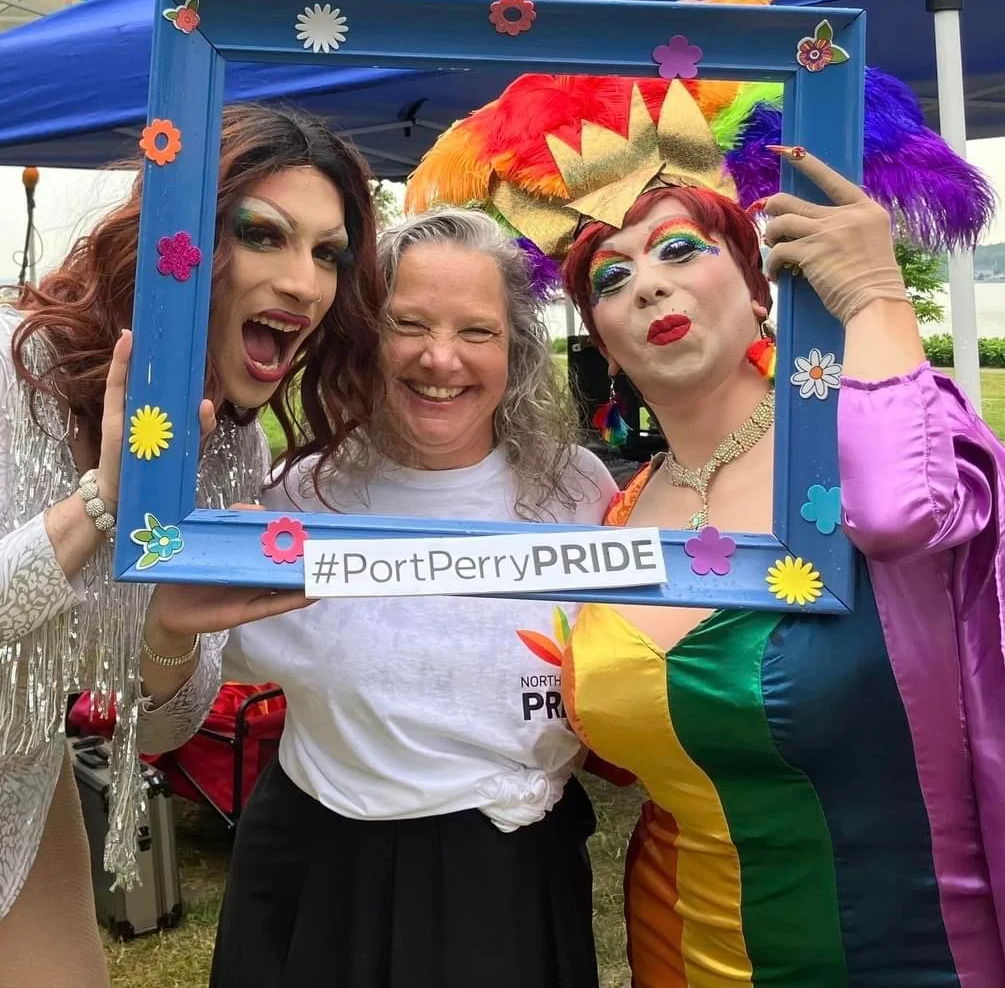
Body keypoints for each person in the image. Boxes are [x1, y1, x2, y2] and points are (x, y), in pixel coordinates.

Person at [409, 53, 1004, 984]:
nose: (647, 285)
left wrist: (873, 296)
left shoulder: (871, 436)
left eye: (681, 250)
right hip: (678, 948)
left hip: (910, 952)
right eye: (611, 278)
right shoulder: (616, 511)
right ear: (603, 343)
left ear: (759, 285)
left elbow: (901, 517)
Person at [0, 104, 384, 987]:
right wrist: (97, 505)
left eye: (328, 253)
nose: (304, 282)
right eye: (263, 235)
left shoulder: (230, 450)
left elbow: (168, 726)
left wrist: (170, 632)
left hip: (22, 827)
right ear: (180, 244)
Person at [210, 207, 616, 988]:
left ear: (515, 350)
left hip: (509, 879)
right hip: (323, 868)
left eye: (476, 331)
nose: (440, 358)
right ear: (364, 334)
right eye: (408, 324)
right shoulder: (297, 500)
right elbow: (183, 671)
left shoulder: (577, 492)